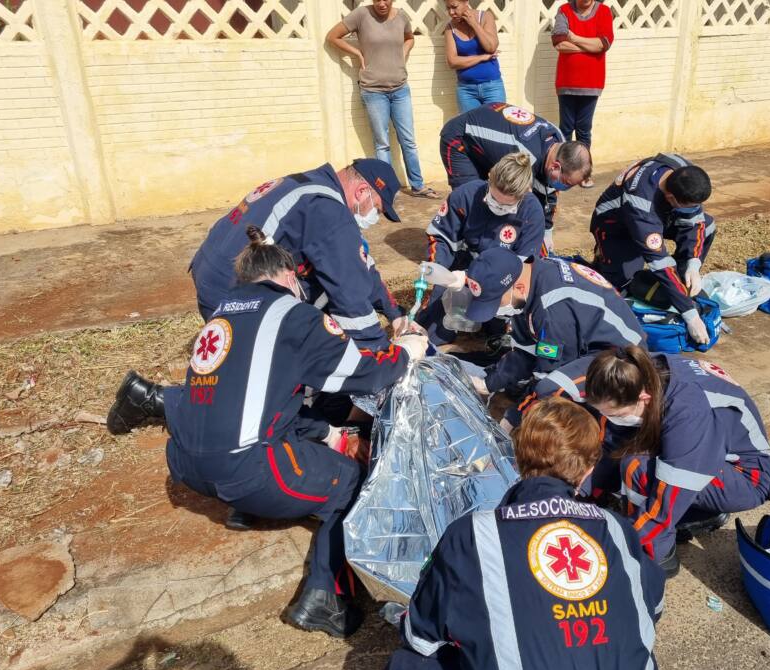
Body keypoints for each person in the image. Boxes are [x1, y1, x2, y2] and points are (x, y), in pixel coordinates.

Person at [107, 227, 429, 637]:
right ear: (288, 275)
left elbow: (264, 405)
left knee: (284, 430)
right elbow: (365, 375)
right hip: (244, 470)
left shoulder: (222, 314)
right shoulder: (294, 316)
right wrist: (404, 352)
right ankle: (323, 598)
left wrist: (330, 433)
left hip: (185, 461)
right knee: (349, 481)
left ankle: (250, 508)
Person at [381, 398, 676, 670]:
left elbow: (419, 636)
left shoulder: (473, 536)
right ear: (588, 469)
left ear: (519, 460)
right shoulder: (617, 529)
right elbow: (651, 607)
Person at [518, 345, 770, 577]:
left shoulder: (689, 414)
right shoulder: (630, 372)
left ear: (644, 399)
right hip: (704, 450)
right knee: (623, 456)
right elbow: (609, 444)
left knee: (636, 469)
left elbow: (662, 508)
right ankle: (693, 513)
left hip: (744, 475)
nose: (607, 417)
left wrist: (617, 550)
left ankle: (660, 556)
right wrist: (576, 492)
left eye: (614, 412)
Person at [189, 158, 412, 350]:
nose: (374, 217)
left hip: (209, 274)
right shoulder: (329, 210)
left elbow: (358, 262)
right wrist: (382, 352)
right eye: (377, 209)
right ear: (362, 192)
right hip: (232, 294)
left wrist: (396, 313)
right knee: (327, 303)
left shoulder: (310, 183)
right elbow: (350, 294)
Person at [455, 248, 644, 400]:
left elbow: (551, 369)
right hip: (586, 347)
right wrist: (489, 383)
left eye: (497, 302)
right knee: (522, 386)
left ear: (518, 288)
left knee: (549, 390)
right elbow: (525, 351)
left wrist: (513, 417)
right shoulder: (529, 282)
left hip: (624, 360)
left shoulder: (552, 309)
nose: (496, 311)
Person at [417, 152, 546, 343]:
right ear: (489, 177)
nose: (498, 206)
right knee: (432, 331)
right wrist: (439, 270)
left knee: (504, 339)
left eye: (505, 205)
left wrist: (474, 280)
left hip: (502, 282)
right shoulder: (466, 195)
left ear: (525, 192)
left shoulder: (532, 213)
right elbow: (441, 236)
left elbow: (523, 269)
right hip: (462, 269)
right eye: (494, 198)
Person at [590, 153, 716, 345]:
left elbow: (695, 220)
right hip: (616, 228)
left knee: (707, 226)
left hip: (658, 216)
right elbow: (660, 263)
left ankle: (681, 282)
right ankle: (603, 260)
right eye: (685, 206)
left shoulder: (683, 171)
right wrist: (690, 315)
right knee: (622, 287)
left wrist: (693, 263)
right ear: (671, 197)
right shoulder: (641, 203)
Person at [439, 102, 592, 251]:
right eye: (566, 183)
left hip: (490, 140)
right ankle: (465, 249)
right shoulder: (524, 156)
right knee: (479, 199)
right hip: (459, 138)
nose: (566, 188)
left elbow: (547, 190)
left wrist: (546, 230)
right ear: (556, 166)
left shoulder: (559, 143)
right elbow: (515, 201)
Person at [327, 0, 439, 199]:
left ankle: (418, 185)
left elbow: (409, 38)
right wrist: (357, 53)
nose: (381, 3)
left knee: (409, 141)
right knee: (382, 144)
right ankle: (388, 191)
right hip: (373, 90)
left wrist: (402, 53)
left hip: (400, 89)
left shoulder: (402, 16)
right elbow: (332, 36)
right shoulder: (361, 15)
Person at [551, 0, 614, 187]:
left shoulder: (603, 12)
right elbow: (559, 43)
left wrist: (574, 38)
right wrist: (589, 46)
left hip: (591, 84)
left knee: (584, 130)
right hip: (566, 83)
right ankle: (561, 170)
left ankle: (584, 173)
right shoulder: (564, 10)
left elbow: (603, 43)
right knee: (565, 129)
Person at [444, 0, 505, 112]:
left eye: (454, 7)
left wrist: (474, 24)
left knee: (496, 127)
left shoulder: (486, 16)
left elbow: (491, 47)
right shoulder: (450, 28)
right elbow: (452, 62)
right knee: (471, 128)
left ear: (466, 1)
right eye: (447, 8)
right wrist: (482, 57)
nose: (451, 12)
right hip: (466, 90)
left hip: (492, 87)